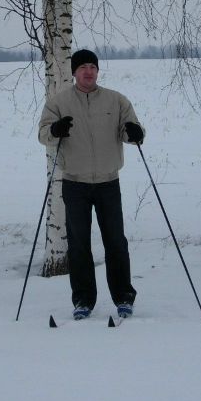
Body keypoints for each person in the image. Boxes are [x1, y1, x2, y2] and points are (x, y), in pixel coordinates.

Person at [38, 49, 145, 320]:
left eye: (92, 66)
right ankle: (83, 301)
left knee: (116, 243)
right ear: (74, 72)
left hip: (109, 182)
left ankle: (123, 297)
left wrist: (135, 133)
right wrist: (55, 130)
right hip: (74, 183)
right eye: (83, 67)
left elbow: (131, 130)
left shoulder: (116, 100)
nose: (88, 71)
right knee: (79, 245)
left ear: (97, 70)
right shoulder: (59, 102)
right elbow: (43, 134)